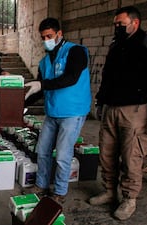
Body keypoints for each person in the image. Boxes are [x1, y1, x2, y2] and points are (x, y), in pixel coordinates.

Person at [89, 6, 147, 220]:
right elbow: (107, 76)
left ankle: (129, 198)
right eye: (115, 24)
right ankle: (109, 191)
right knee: (106, 153)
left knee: (131, 156)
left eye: (121, 24)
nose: (117, 27)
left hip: (135, 110)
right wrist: (100, 102)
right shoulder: (116, 45)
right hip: (111, 108)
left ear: (135, 23)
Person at [24, 18, 91, 203]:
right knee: (42, 150)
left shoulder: (76, 52)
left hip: (72, 112)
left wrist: (41, 84)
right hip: (52, 112)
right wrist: (21, 100)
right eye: (43, 37)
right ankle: (41, 184)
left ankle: (60, 191)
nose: (46, 40)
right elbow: (41, 88)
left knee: (62, 154)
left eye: (50, 36)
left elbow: (71, 78)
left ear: (59, 34)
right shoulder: (45, 62)